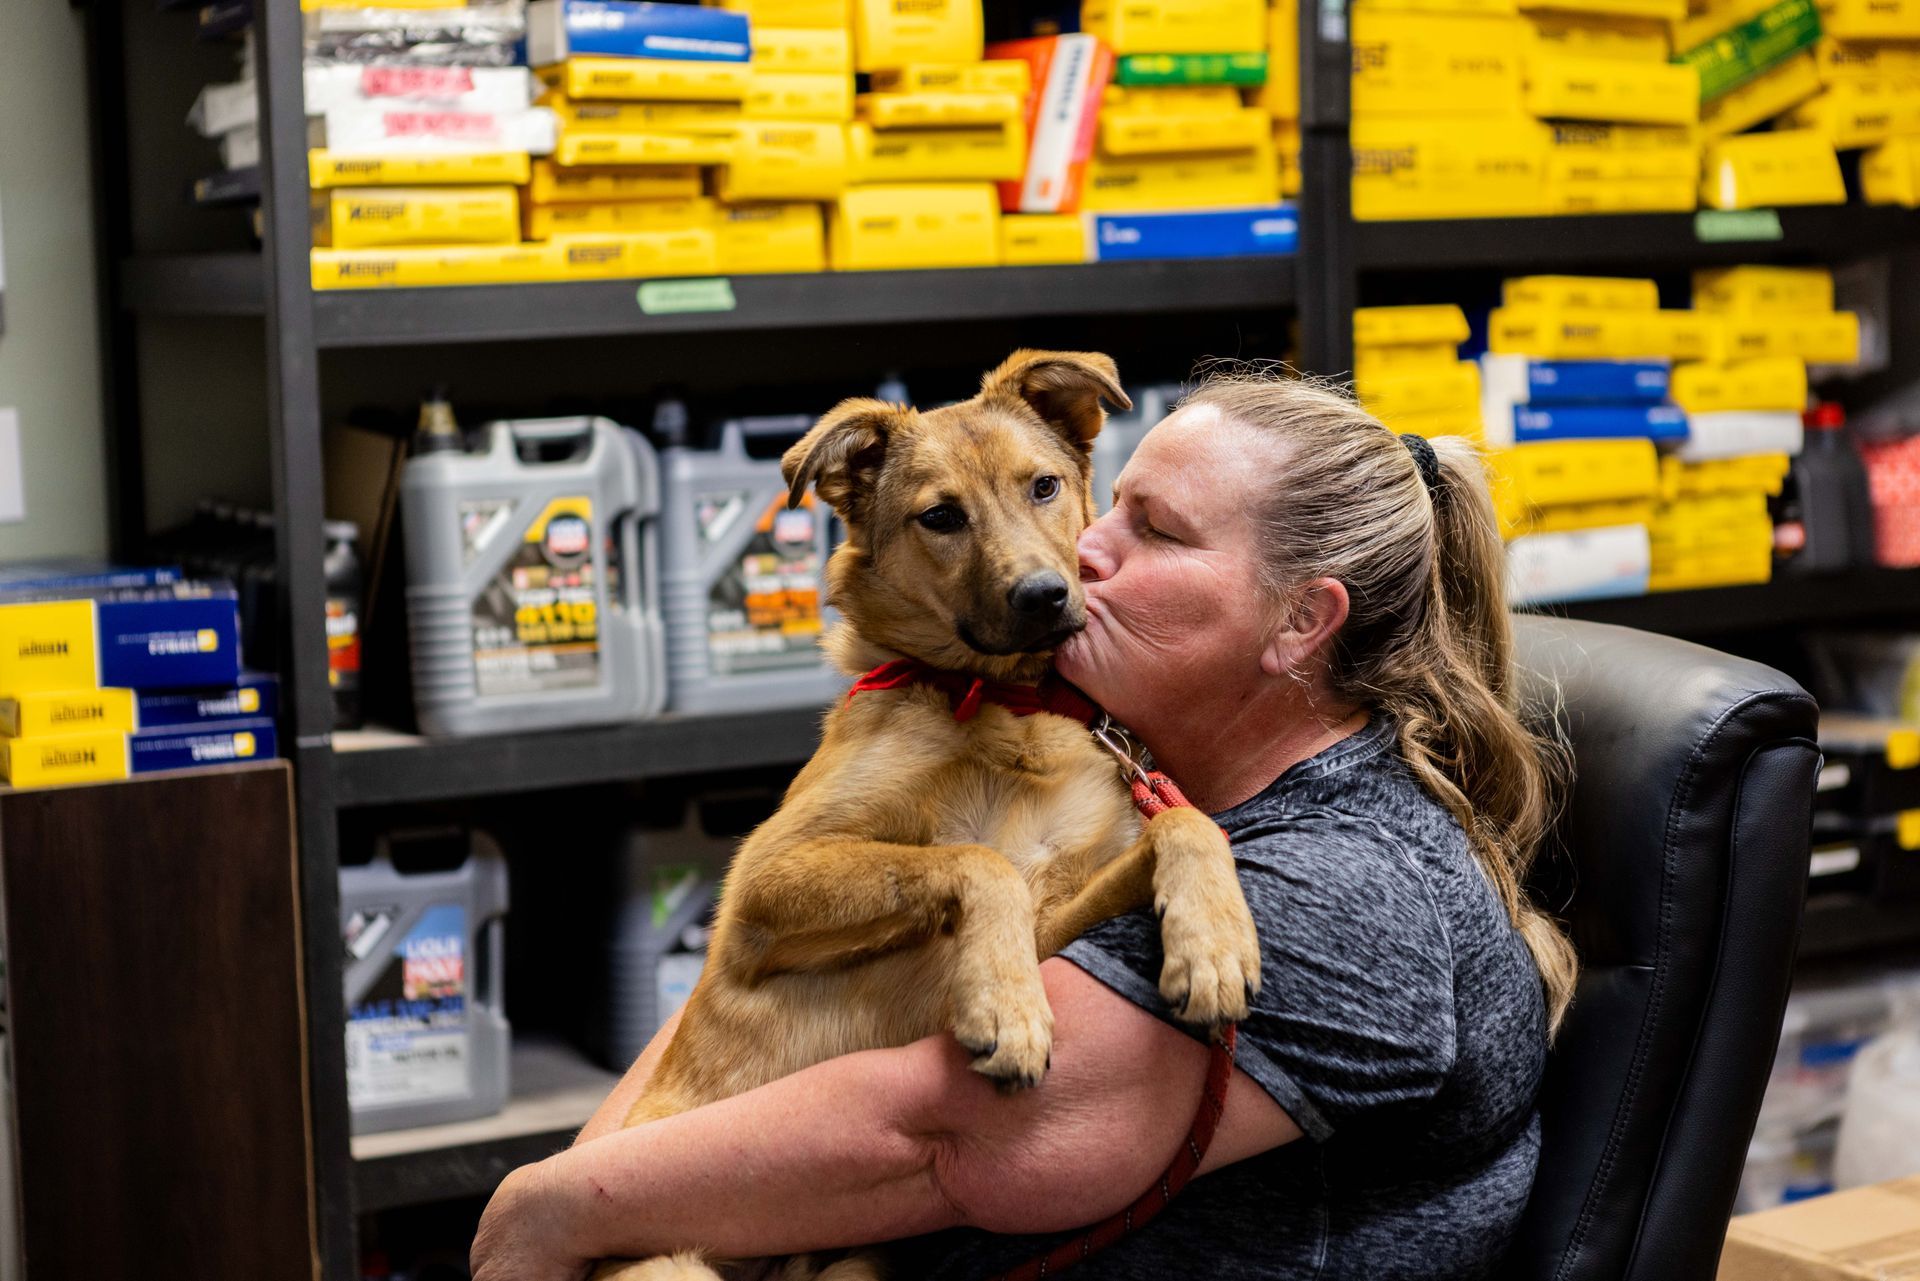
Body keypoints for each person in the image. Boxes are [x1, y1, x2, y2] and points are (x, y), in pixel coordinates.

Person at [471, 372, 1580, 1281]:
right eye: (1114, 504)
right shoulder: (1141, 765)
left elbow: (942, 1133)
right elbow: (757, 977)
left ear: (1301, 621)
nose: (1079, 551)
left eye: (1154, 531)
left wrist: (553, 1207)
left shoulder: (1342, 892)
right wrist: (590, 1194)